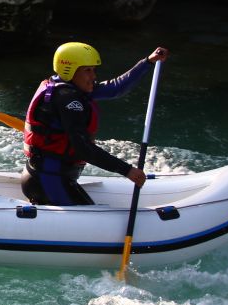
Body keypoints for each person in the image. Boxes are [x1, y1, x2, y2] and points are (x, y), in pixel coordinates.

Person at [21, 42, 169, 205]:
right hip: (48, 180)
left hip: (53, 175)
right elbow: (84, 149)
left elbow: (116, 88)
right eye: (87, 70)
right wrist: (127, 170)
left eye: (93, 70)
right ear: (69, 70)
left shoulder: (72, 87)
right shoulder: (67, 99)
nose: (93, 76)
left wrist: (148, 62)